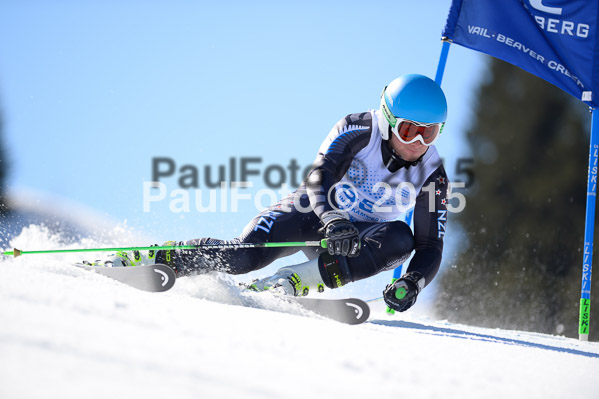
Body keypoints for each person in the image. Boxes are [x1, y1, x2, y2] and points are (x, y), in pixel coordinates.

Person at [107, 74, 449, 313]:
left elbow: (431, 245)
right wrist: (331, 218)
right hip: (310, 214)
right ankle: (153, 257)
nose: (417, 143)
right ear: (388, 121)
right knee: (243, 258)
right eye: (408, 130)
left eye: (428, 133)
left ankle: (292, 281)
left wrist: (414, 283)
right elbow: (320, 176)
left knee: (401, 240)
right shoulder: (358, 129)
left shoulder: (433, 174)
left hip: (354, 241)